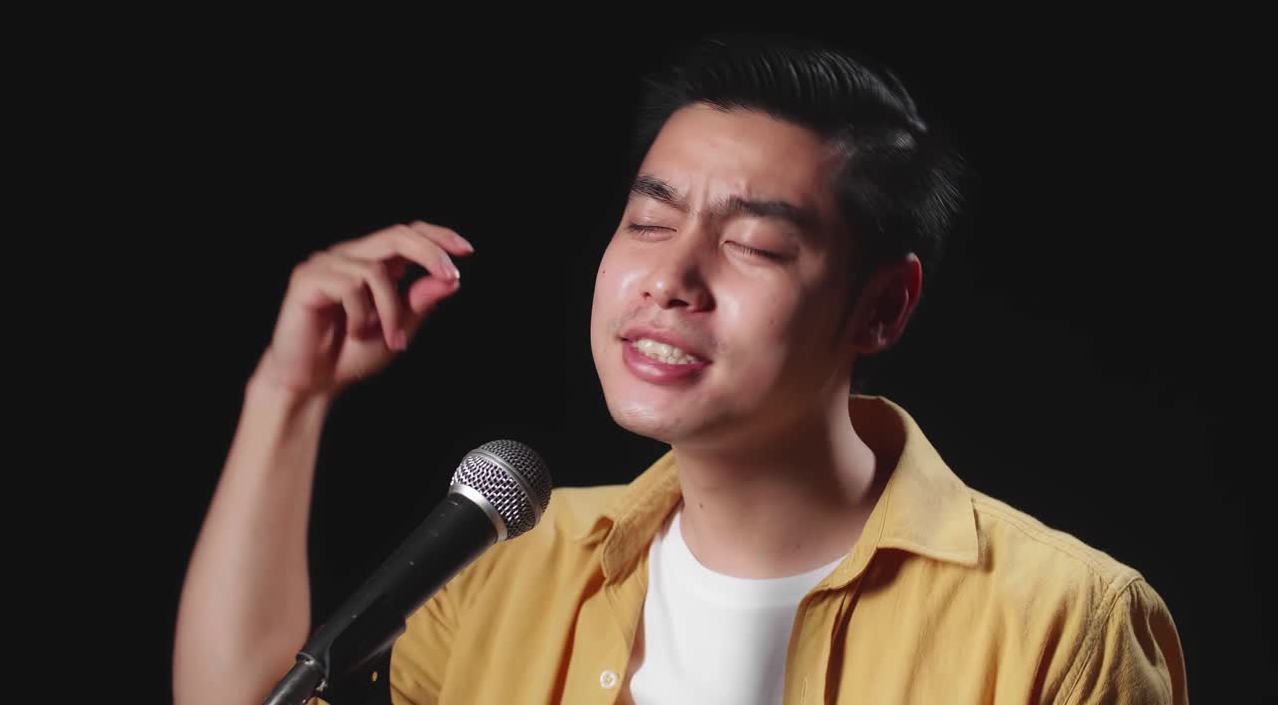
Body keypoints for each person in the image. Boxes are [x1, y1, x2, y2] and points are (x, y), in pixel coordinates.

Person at [173, 35, 1189, 704]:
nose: (669, 278)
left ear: (881, 306)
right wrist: (288, 396)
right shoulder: (508, 567)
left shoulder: (1062, 622)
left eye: (751, 243)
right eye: (647, 223)